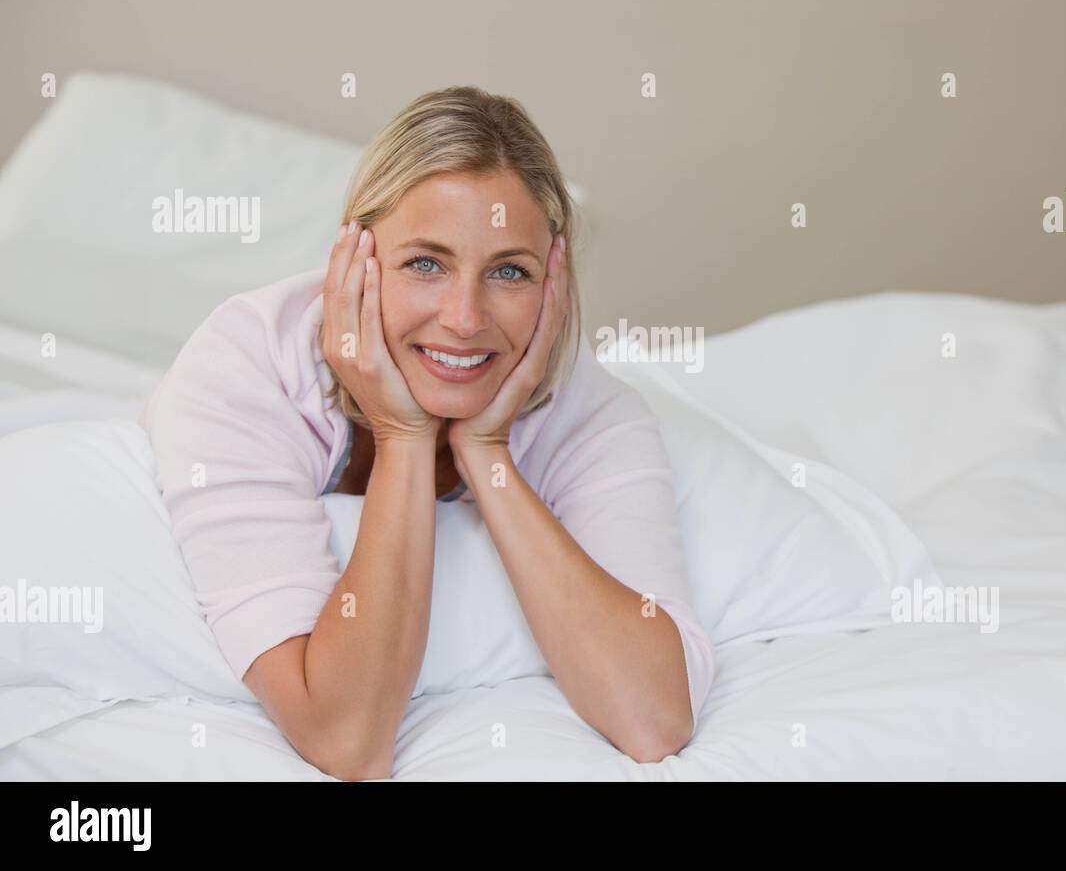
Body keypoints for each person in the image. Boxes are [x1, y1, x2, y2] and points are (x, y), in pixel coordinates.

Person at [140, 87, 714, 780]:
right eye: (426, 263)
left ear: (553, 284)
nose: (466, 318)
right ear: (357, 260)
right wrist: (404, 436)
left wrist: (485, 450)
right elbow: (348, 740)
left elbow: (651, 717)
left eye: (509, 271)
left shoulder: (589, 411)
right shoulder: (246, 367)